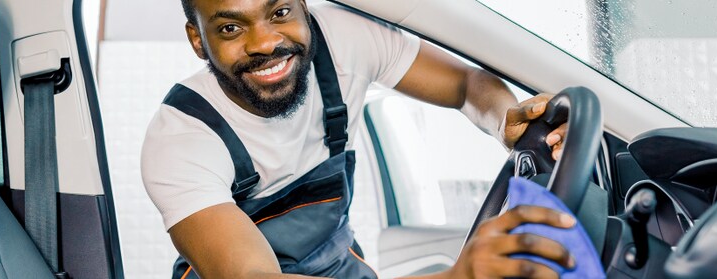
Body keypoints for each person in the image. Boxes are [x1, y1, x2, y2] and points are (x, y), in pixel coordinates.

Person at [141, 0, 576, 278]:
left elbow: (465, 83)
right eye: (231, 29)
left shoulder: (344, 40)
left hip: (340, 266)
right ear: (198, 39)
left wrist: (505, 121)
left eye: (279, 13)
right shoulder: (181, 138)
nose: (265, 43)